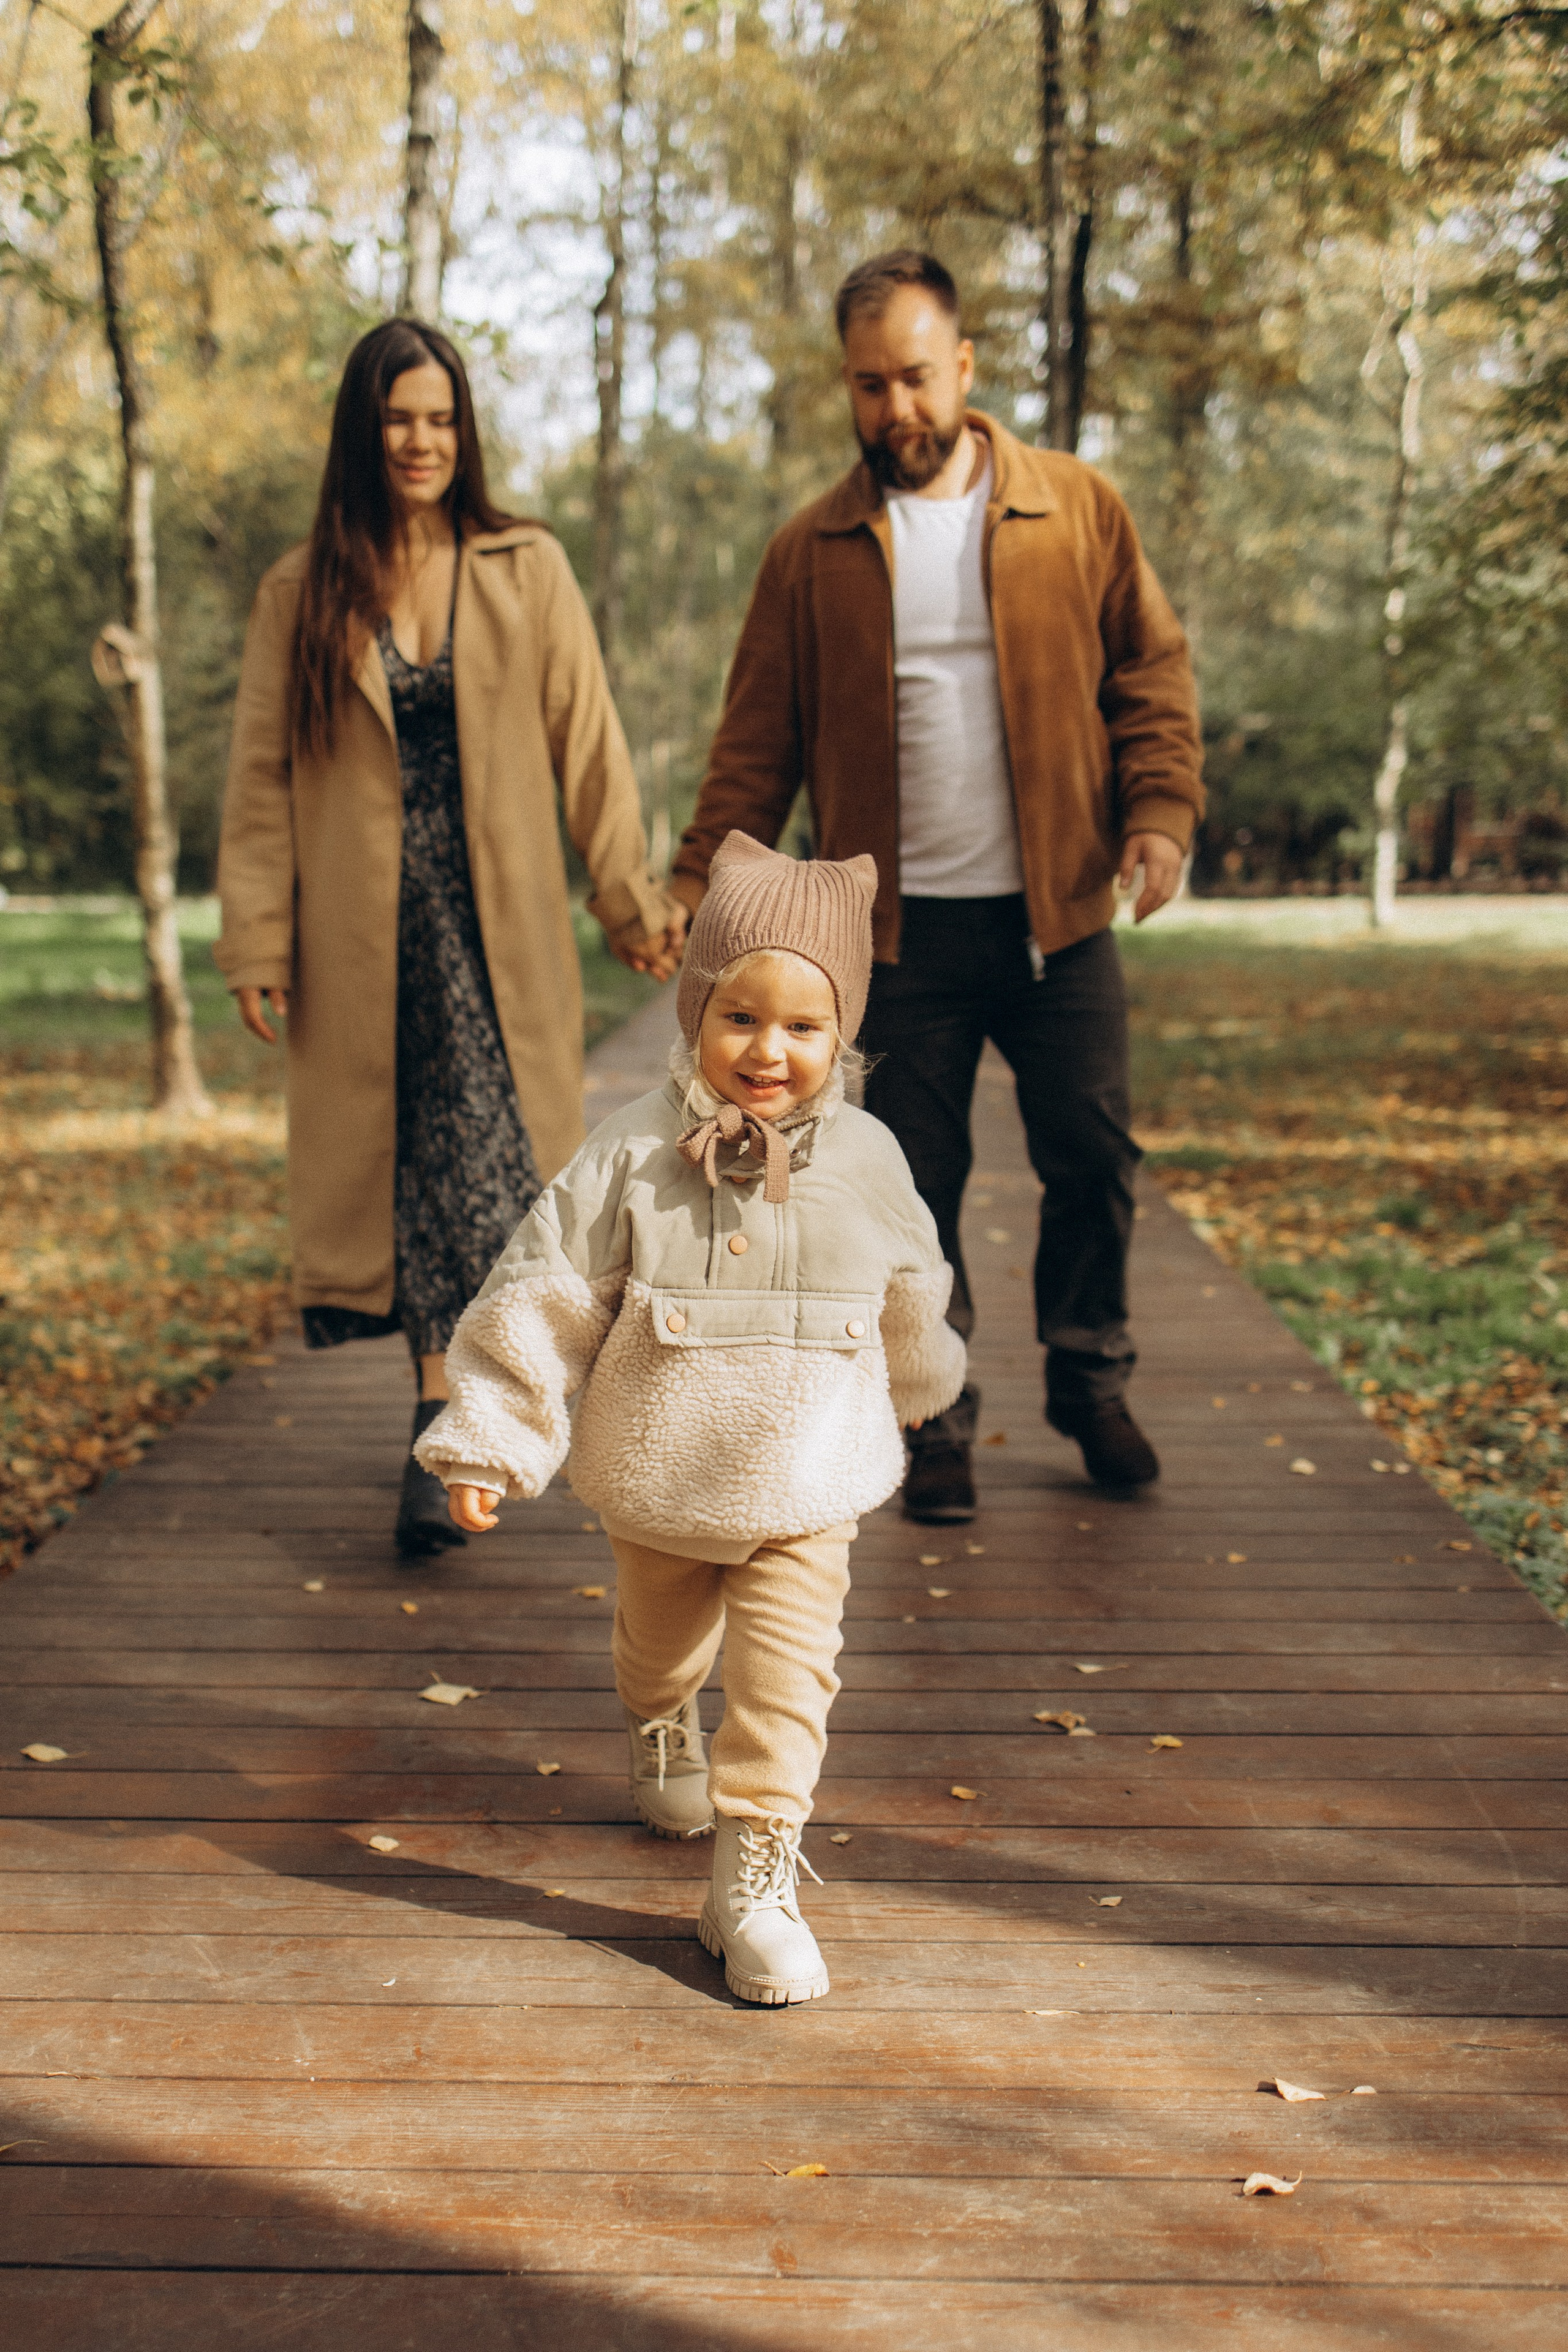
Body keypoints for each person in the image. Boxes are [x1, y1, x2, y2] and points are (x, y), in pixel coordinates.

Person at [669, 250, 1204, 1521]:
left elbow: (1150, 675)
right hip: (893, 938)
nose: (893, 409)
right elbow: (755, 742)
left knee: (1090, 1154)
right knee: (909, 1185)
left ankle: (1088, 1377)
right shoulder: (810, 552)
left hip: (1056, 919)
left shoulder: (1074, 507)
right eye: (868, 386)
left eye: (912, 377)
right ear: (845, 389)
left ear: (961, 367)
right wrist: (698, 879)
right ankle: (934, 1411)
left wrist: (1159, 816)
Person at [415, 834, 965, 2005]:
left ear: (842, 1036)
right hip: (664, 1471)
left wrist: (916, 1393)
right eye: (740, 1018)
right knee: (662, 1642)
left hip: (808, 1480)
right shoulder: (632, 1153)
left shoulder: (868, 1157)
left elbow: (915, 1285)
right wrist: (493, 1434)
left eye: (804, 1028)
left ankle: (754, 1878)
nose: (769, 1051)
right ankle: (659, 1718)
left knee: (789, 1678)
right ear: (693, 1012)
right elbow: (544, 1291)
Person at [214, 318, 683, 1557]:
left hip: (496, 928)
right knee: (413, 1174)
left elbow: (590, 745)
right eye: (396, 418)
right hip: (364, 941)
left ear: (463, 431)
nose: (420, 441)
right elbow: (260, 780)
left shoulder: (522, 565)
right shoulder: (298, 590)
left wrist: (628, 901)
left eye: (440, 418)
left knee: (495, 1169)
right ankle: (446, 1421)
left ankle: (481, 1407)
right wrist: (257, 938)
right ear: (360, 433)